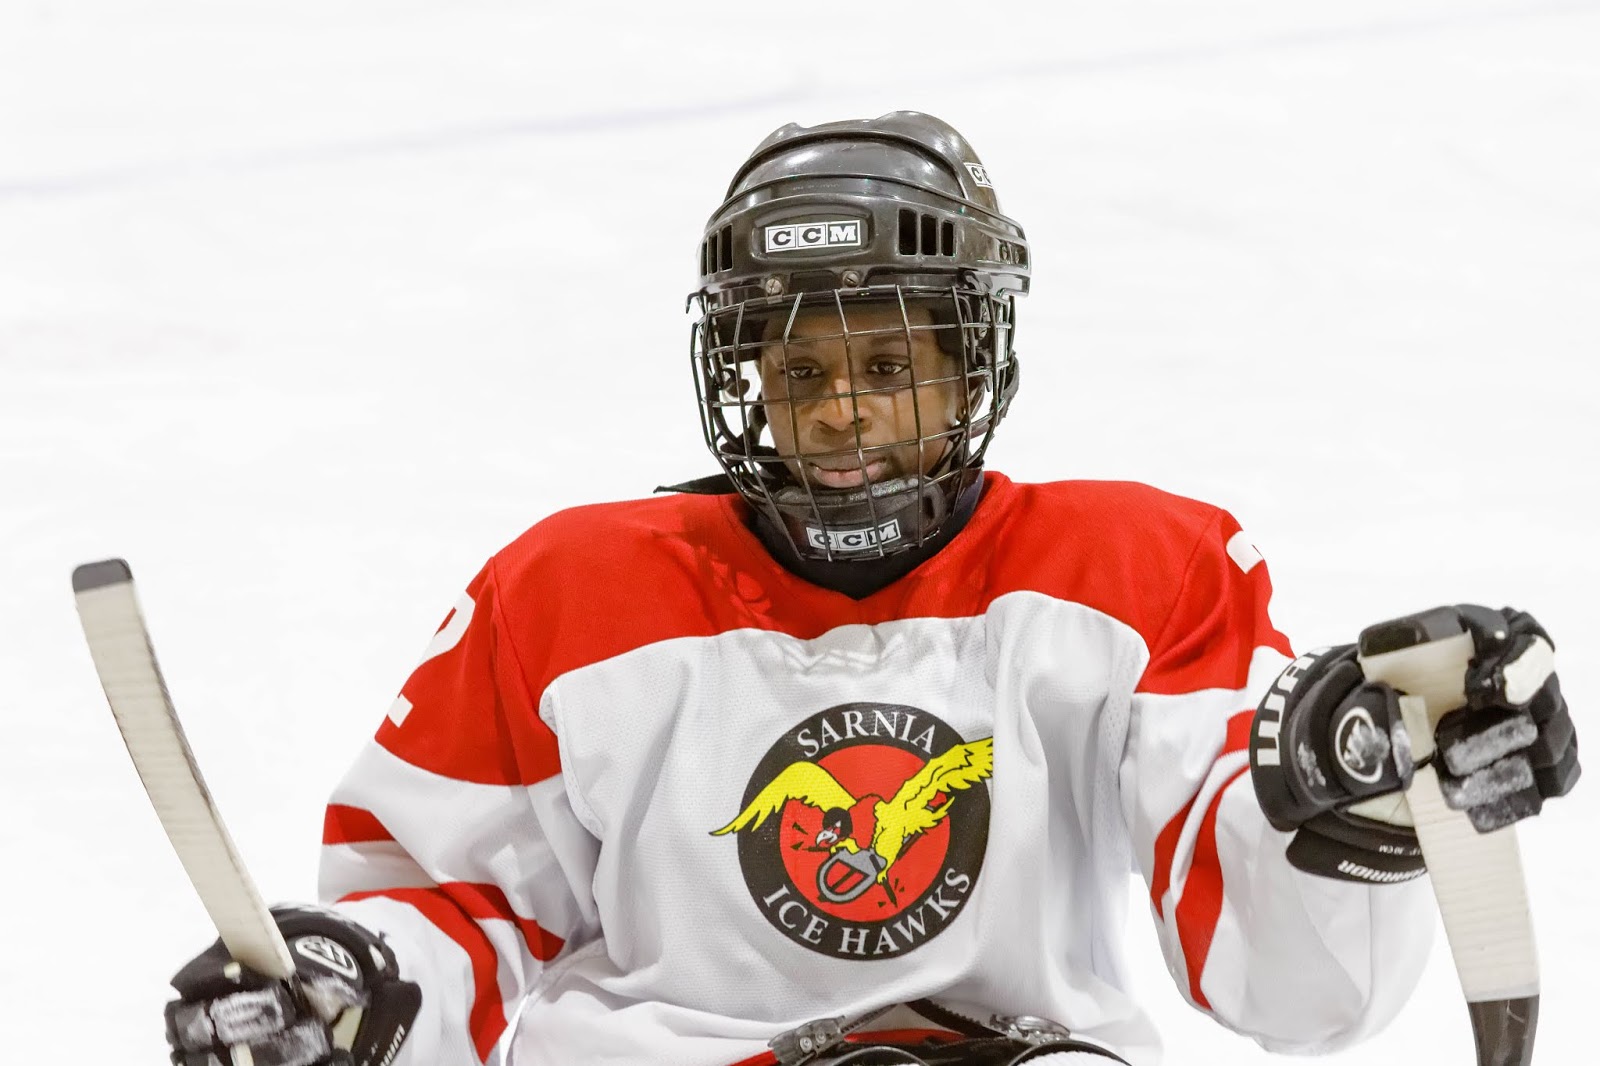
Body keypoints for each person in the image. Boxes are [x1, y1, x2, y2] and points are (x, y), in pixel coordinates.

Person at [161, 112, 1579, 1066]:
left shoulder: (1139, 572)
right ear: (746, 384)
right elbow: (457, 904)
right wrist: (350, 979)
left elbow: (1285, 983)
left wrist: (1358, 792)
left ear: (975, 366)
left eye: (889, 367)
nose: (841, 412)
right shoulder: (565, 592)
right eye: (802, 373)